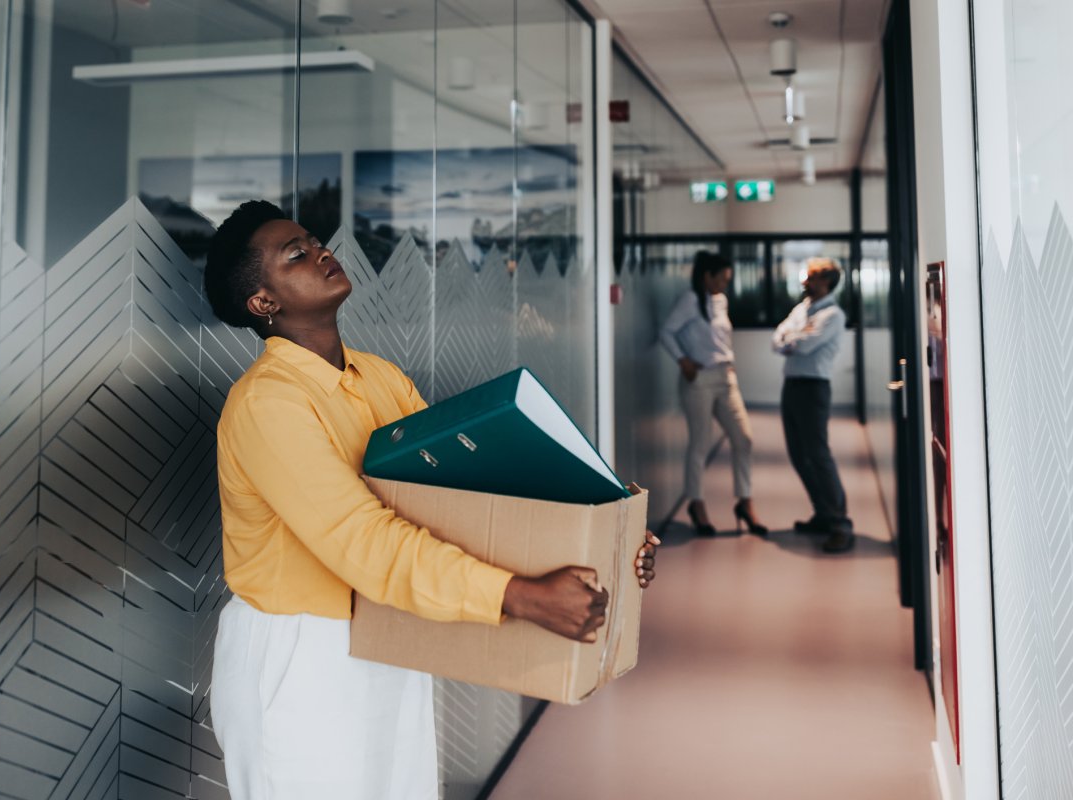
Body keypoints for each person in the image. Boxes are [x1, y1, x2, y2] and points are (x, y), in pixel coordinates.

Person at [203, 200, 659, 799]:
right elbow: (363, 541)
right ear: (263, 303)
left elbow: (464, 490)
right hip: (301, 655)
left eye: (316, 242)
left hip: (387, 630)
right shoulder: (269, 403)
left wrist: (604, 532)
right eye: (297, 254)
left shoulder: (378, 377)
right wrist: (517, 595)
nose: (322, 252)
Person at [659, 250, 766, 536]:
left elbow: (719, 339)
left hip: (725, 377)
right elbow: (667, 332)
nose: (724, 285)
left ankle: (745, 501)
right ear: (706, 276)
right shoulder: (690, 300)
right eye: (721, 279)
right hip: (700, 379)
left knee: (744, 438)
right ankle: (697, 503)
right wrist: (683, 360)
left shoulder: (721, 301)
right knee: (700, 444)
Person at [772, 257, 854, 554]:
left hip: (814, 388)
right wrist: (791, 338)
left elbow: (801, 345)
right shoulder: (802, 309)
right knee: (798, 454)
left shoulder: (833, 315)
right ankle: (823, 514)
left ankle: (840, 524)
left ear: (827, 282)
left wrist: (790, 339)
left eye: (812, 277)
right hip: (792, 385)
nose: (805, 281)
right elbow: (776, 339)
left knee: (818, 455)